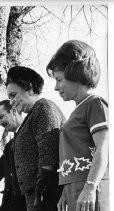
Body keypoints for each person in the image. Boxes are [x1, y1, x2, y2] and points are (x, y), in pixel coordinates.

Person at [46, 40, 109, 211]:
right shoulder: (75, 113)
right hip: (75, 190)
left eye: (59, 80)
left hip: (91, 188)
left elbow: (104, 147)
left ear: (76, 73)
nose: (56, 87)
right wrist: (66, 191)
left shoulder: (94, 104)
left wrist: (90, 187)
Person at [5, 66, 66, 211]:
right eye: (9, 98)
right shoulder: (33, 114)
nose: (11, 102)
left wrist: (39, 195)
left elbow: (48, 158)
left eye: (13, 95)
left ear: (29, 88)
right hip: (35, 197)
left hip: (48, 196)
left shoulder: (43, 108)